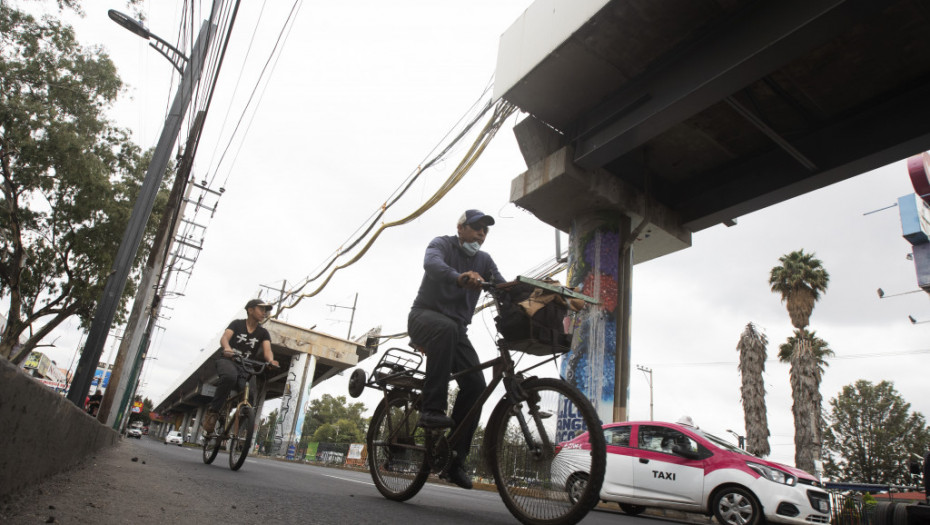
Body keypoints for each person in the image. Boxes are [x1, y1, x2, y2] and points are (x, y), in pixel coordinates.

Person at [408, 209, 505, 489]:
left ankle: (453, 460)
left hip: (456, 331)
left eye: (485, 231)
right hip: (423, 317)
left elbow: (501, 284)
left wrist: (533, 291)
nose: (481, 234)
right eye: (476, 228)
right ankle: (432, 408)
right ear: (460, 227)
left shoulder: (484, 261)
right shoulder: (442, 244)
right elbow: (432, 264)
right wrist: (459, 277)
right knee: (447, 328)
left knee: (477, 385)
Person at [202, 299, 279, 434]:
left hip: (246, 366)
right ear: (250, 310)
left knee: (250, 396)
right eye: (261, 309)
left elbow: (267, 351)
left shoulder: (263, 333)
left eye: (266, 311)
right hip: (229, 360)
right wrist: (227, 348)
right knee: (229, 377)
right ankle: (213, 412)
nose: (264, 313)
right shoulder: (237, 324)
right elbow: (224, 338)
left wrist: (271, 361)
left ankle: (239, 430)